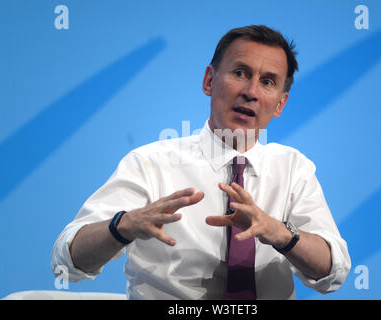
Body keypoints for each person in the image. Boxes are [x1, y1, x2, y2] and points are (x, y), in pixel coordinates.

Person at [51, 25, 351, 299]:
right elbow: (69, 260)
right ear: (209, 80)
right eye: (240, 73)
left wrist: (280, 233)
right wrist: (124, 225)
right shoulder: (150, 163)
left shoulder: (294, 169)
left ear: (280, 104)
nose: (251, 92)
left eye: (268, 82)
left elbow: (332, 272)